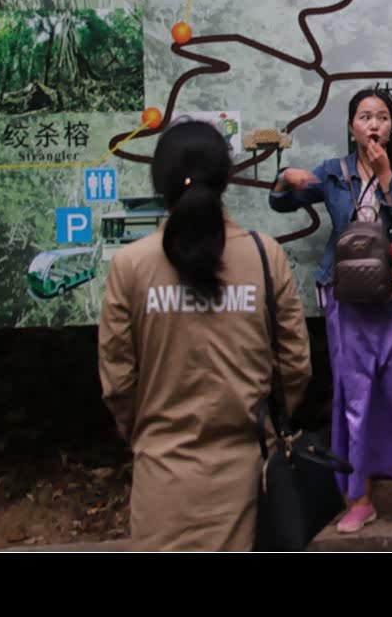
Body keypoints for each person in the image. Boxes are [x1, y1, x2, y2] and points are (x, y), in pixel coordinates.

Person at [98, 119, 310, 551]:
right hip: (252, 481)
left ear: (160, 183)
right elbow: (295, 365)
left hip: (161, 484)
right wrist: (271, 425)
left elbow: (118, 380)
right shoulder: (263, 256)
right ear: (226, 179)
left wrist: (144, 433)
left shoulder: (130, 265)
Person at [270, 87, 392, 532]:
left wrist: (387, 178)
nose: (373, 124)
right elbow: (281, 202)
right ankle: (359, 498)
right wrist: (286, 178)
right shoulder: (335, 171)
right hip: (347, 295)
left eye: (382, 116)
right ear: (351, 126)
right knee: (354, 394)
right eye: (365, 116)